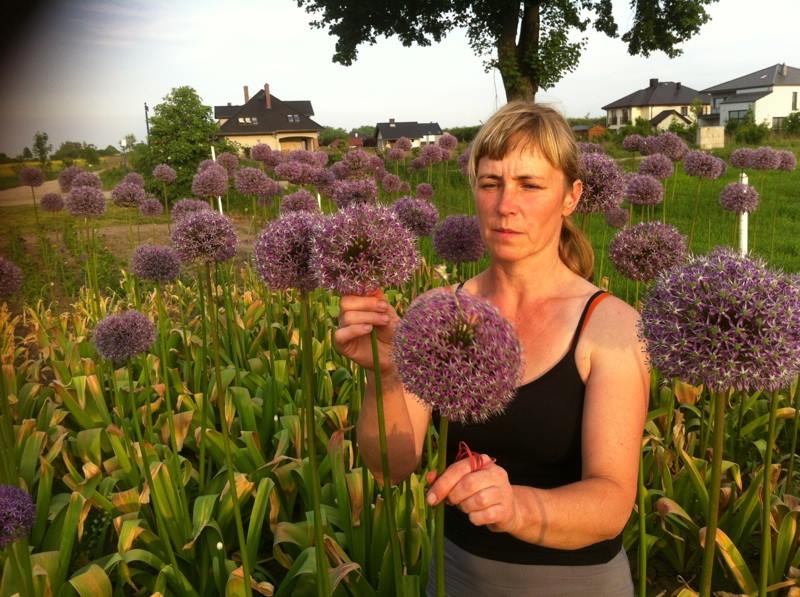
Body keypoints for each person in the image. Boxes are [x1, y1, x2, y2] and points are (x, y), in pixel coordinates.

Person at [334, 101, 649, 596]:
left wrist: (514, 507)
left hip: (575, 584)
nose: (506, 204)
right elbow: (389, 466)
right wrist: (387, 373)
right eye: (490, 182)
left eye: (530, 184)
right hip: (456, 575)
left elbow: (611, 502)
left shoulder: (610, 326)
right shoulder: (437, 311)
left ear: (571, 197)